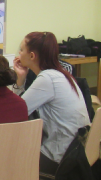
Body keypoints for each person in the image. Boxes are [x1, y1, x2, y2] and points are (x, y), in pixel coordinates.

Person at [13, 31, 90, 175]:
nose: (18, 52)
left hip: (62, 156)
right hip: (77, 150)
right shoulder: (60, 74)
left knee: (11, 160)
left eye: (21, 49)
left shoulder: (47, 79)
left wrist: (19, 81)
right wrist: (22, 78)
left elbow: (16, 112)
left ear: (32, 56)